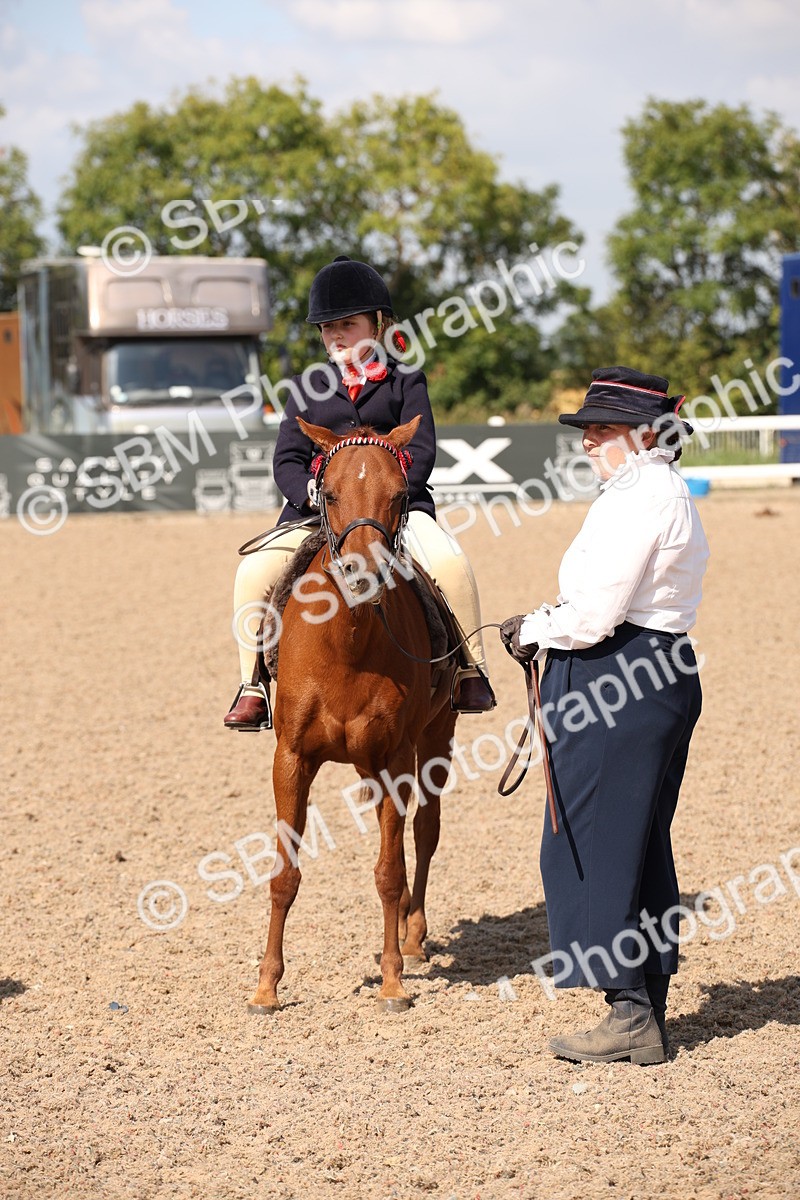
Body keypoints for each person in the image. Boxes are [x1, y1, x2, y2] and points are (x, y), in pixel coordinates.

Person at [500, 365, 710, 1065]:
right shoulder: (651, 490)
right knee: (638, 843)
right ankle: (645, 1003)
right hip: (652, 672)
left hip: (618, 675)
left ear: (644, 433)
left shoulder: (641, 497)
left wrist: (533, 630)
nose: (587, 441)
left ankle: (629, 1012)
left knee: (588, 843)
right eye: (587, 429)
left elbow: (593, 615)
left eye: (602, 429)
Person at [224, 254, 495, 730]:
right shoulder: (305, 388)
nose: (336, 335)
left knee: (450, 563)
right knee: (253, 572)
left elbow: (423, 451)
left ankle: (471, 670)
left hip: (391, 512)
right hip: (316, 513)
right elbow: (285, 460)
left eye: (347, 324)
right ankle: (252, 686)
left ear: (378, 324)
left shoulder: (405, 379)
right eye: (327, 328)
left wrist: (381, 500)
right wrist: (312, 492)